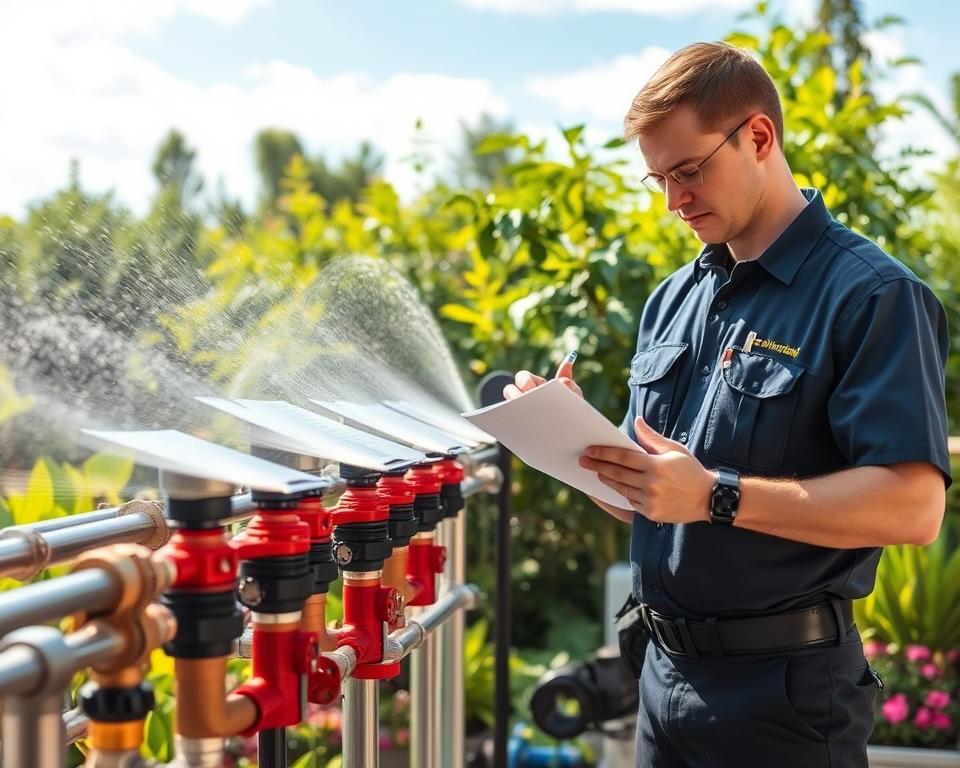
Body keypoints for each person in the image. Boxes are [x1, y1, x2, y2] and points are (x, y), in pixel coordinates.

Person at [504, 41, 951, 767]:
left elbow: (913, 508)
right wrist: (567, 440)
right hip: (661, 682)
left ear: (759, 137)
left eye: (688, 171)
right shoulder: (672, 299)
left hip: (786, 702)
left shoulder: (872, 296)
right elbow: (649, 498)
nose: (674, 201)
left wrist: (717, 497)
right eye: (659, 179)